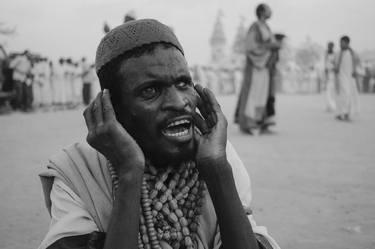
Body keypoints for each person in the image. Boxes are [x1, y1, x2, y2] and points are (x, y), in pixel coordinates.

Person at [38, 19, 280, 249]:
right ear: (112, 109)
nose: (179, 102)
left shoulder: (217, 153)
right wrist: (130, 172)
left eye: (183, 83)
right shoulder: (77, 172)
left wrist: (217, 170)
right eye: (151, 90)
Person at [234, 4, 281, 135]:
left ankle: (262, 123)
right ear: (261, 12)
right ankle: (249, 124)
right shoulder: (255, 27)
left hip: (265, 67)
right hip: (256, 66)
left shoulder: (266, 27)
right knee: (253, 96)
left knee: (263, 96)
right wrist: (271, 46)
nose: (271, 11)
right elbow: (251, 47)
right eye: (268, 9)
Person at [334, 35, 360, 121]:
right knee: (342, 95)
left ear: (347, 43)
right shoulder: (338, 53)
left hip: (350, 78)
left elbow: (357, 63)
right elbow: (335, 65)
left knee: (348, 95)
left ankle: (345, 113)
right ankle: (341, 113)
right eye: (340, 43)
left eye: (342, 43)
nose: (340, 44)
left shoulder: (353, 53)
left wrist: (355, 71)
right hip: (341, 77)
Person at [324, 42, 336, 112]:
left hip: (332, 74)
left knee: (331, 91)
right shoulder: (326, 53)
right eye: (328, 46)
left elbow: (335, 64)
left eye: (330, 46)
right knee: (327, 91)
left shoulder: (335, 54)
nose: (329, 47)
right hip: (327, 73)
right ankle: (329, 106)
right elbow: (325, 63)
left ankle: (332, 106)